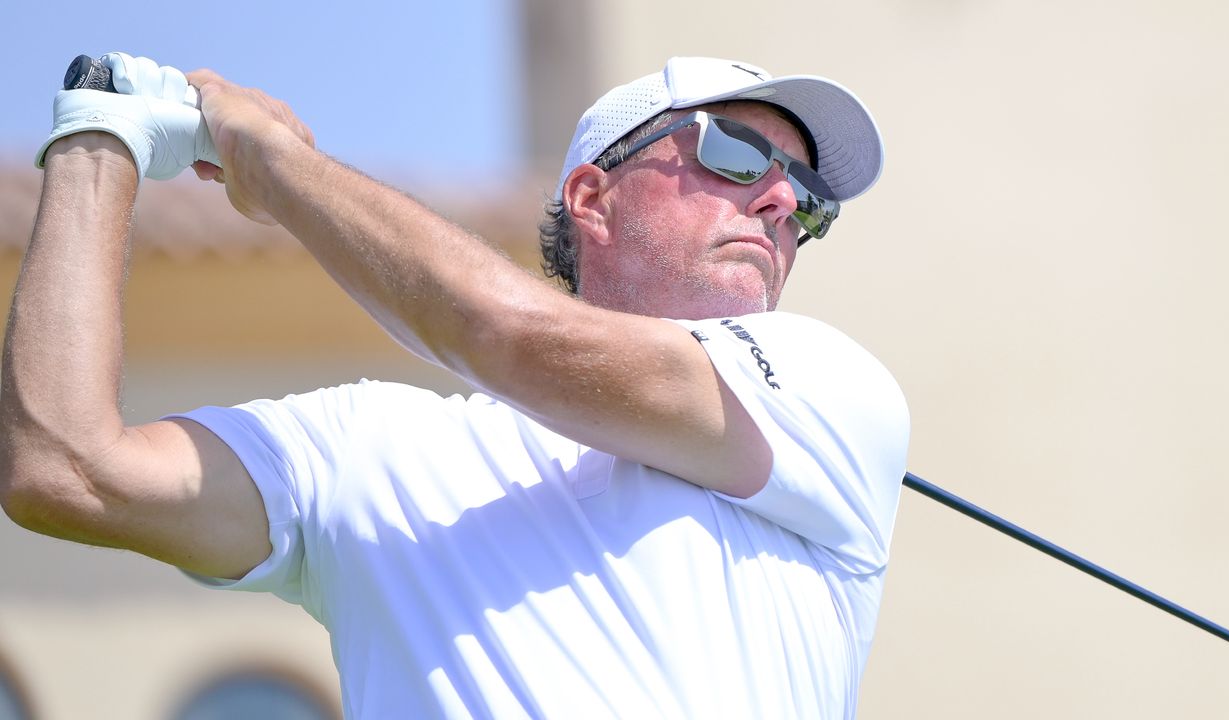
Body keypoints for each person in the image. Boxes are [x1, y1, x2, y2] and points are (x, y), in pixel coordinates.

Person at [0, 52, 909, 718]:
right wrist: (96, 139)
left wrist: (270, 165)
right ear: (592, 199)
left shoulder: (828, 389)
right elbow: (66, 467)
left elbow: (505, 334)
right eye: (738, 154)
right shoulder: (368, 446)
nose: (785, 200)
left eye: (808, 193)